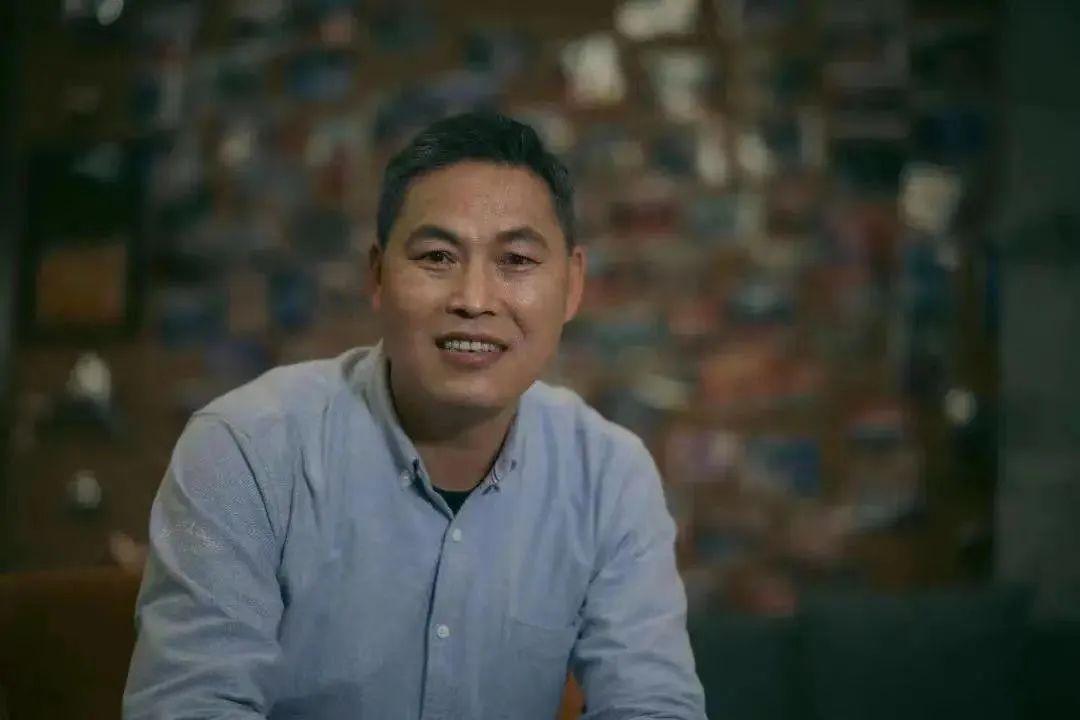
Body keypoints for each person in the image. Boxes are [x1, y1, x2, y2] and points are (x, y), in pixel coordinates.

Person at [123, 112, 707, 720]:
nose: (474, 300)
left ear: (573, 285)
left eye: (516, 260)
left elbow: (653, 706)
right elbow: (190, 707)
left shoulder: (609, 476)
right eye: (437, 256)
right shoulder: (245, 450)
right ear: (378, 276)